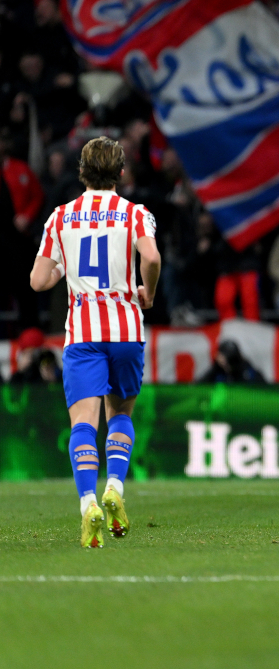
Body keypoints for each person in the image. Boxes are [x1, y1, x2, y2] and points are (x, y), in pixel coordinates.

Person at [28, 137, 160, 548]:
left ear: (81, 172)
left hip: (83, 333)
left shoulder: (61, 217)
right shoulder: (135, 213)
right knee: (120, 414)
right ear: (121, 173)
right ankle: (115, 487)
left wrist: (62, 270)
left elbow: (37, 281)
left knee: (83, 423)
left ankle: (88, 501)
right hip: (124, 330)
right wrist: (148, 292)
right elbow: (151, 258)